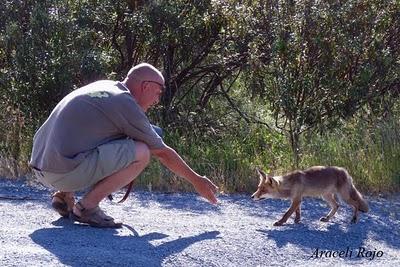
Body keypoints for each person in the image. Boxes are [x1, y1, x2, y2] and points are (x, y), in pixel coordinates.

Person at [29, 63, 219, 228]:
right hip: (62, 173)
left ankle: (63, 196)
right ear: (146, 86)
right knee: (142, 153)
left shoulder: (106, 87)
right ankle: (87, 208)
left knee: (103, 139)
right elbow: (162, 153)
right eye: (158, 92)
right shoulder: (124, 103)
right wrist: (196, 180)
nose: (157, 100)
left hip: (41, 169)